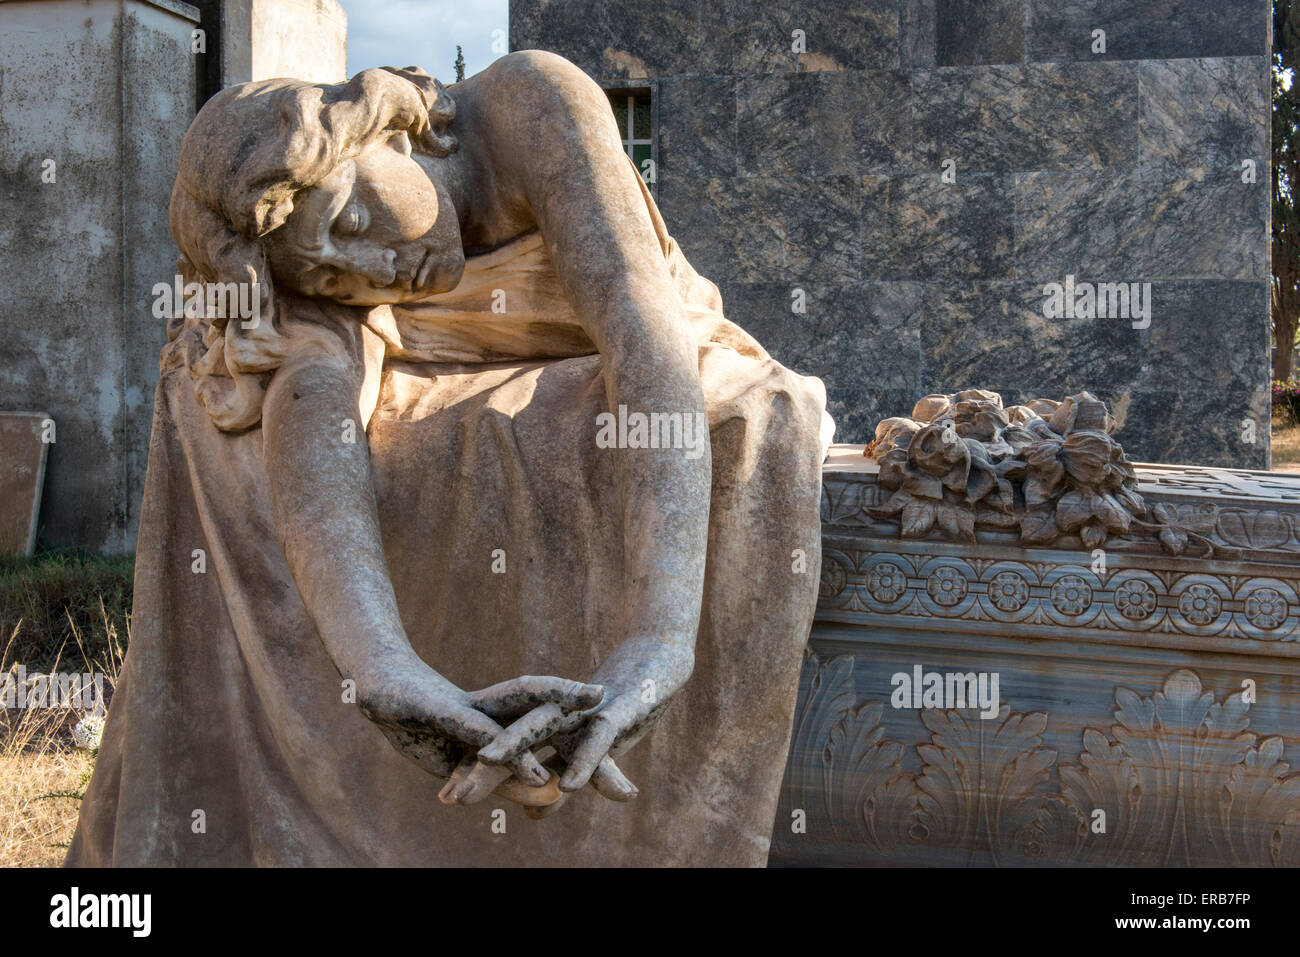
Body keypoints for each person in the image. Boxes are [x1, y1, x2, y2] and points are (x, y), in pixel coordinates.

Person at [69, 52, 831, 866]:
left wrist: (663, 634)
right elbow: (310, 411)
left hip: (627, 350)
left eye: (354, 221)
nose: (372, 272)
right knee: (214, 401)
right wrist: (382, 665)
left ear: (390, 131)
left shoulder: (529, 106)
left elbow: (640, 329)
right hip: (449, 380)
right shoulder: (317, 280)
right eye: (330, 273)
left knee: (752, 412)